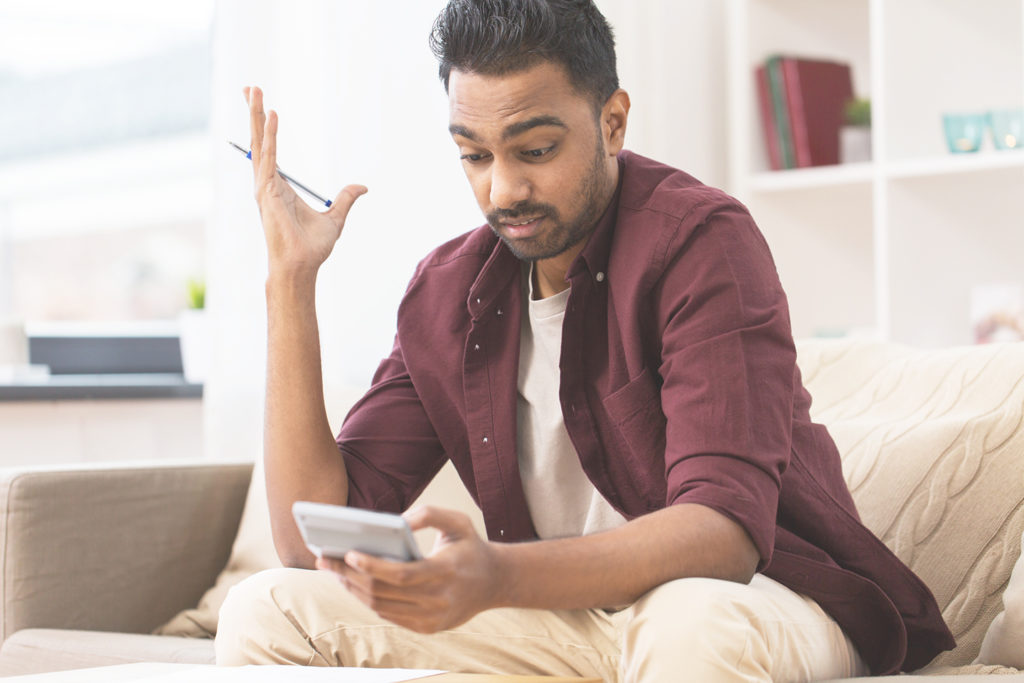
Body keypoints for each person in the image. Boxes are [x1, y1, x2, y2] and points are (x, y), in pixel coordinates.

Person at [215, 1, 954, 680]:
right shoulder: (447, 293)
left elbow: (723, 532)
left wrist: (498, 576)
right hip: (570, 621)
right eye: (474, 155)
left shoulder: (701, 242)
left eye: (534, 149)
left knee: (689, 624)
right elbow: (303, 537)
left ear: (612, 122)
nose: (502, 189)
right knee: (270, 606)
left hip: (761, 600)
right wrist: (291, 280)